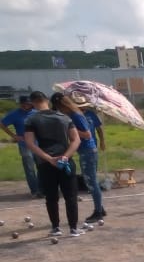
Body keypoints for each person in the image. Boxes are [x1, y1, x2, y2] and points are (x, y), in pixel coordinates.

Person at [23, 91, 81, 237]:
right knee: (70, 196)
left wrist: (49, 158)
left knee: (51, 197)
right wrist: (66, 157)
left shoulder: (31, 120)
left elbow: (29, 143)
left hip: (45, 163)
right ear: (46, 100)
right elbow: (76, 140)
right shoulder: (64, 117)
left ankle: (56, 228)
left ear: (33, 103)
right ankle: (73, 228)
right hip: (65, 162)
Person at [53, 93, 105, 223]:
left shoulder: (76, 115)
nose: (60, 111)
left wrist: (71, 130)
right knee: (90, 181)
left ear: (63, 105)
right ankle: (100, 208)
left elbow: (87, 134)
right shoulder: (74, 114)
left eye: (59, 108)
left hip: (88, 150)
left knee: (91, 182)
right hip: (86, 151)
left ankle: (98, 211)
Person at [1, 95, 41, 198]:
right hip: (25, 144)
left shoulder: (36, 112)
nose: (26, 106)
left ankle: (43, 189)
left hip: (38, 144)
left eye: (28, 104)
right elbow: (2, 123)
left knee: (42, 166)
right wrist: (14, 135)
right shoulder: (15, 114)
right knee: (29, 168)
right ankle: (35, 190)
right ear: (21, 104)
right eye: (24, 104)